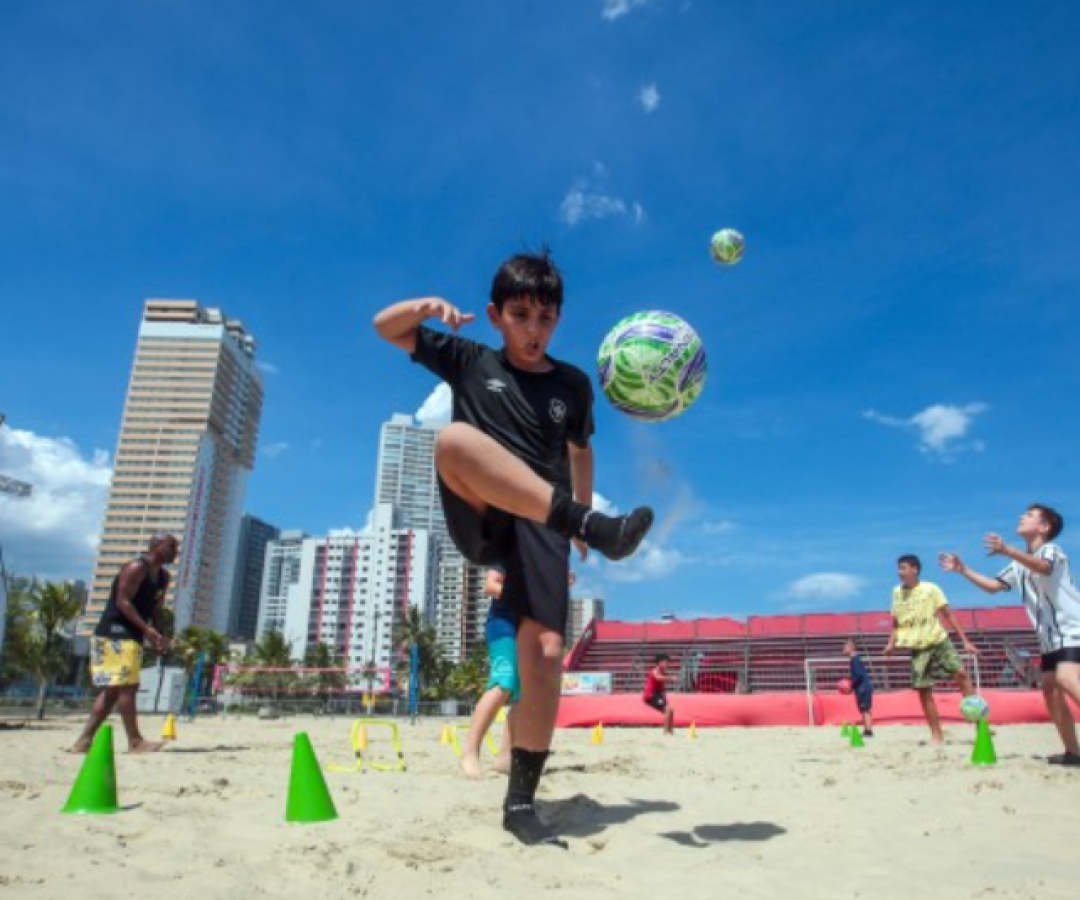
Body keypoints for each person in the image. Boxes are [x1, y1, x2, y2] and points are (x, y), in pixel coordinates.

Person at [373, 250, 653, 848]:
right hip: (479, 511)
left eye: (546, 318)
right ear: (496, 315)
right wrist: (425, 307)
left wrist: (574, 517)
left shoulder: (573, 384)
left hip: (543, 523)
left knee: (547, 651)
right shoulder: (470, 359)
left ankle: (521, 803)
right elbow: (385, 327)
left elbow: (581, 452)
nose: (534, 329)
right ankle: (600, 528)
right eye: (521, 315)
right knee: (451, 439)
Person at [940, 503, 1080, 766]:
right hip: (1049, 638)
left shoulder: (1051, 550)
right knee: (1049, 691)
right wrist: (963, 570)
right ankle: (1073, 752)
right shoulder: (1018, 566)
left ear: (1044, 527)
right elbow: (994, 587)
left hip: (1073, 627)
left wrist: (1006, 549)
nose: (1021, 517)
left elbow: (1043, 567)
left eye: (1029, 515)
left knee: (1066, 678)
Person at [71, 532, 177, 754]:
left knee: (112, 691)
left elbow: (156, 608)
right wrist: (146, 629)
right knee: (128, 687)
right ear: (155, 546)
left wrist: (161, 634)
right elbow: (122, 600)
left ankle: (84, 741)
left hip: (133, 633)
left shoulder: (164, 577)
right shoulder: (136, 567)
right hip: (114, 632)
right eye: (171, 547)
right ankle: (135, 741)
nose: (175, 552)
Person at [883, 553, 979, 744]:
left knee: (962, 674)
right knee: (923, 690)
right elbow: (896, 620)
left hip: (938, 640)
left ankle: (978, 723)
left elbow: (948, 614)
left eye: (903, 568)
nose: (899, 572)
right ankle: (936, 734)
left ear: (914, 569)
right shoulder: (896, 592)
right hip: (917, 647)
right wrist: (891, 643)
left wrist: (965, 641)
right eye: (899, 568)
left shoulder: (931, 588)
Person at [461, 568, 517, 779]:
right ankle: (470, 752)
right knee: (504, 680)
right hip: (503, 624)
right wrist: (525, 595)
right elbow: (491, 586)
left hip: (528, 626)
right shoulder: (510, 550)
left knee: (523, 694)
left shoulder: (540, 553)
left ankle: (505, 757)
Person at [843, 638, 874, 737]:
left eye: (845, 646)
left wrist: (851, 687)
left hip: (863, 688)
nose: (843, 648)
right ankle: (867, 730)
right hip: (863, 687)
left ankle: (868, 731)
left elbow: (859, 676)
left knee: (865, 709)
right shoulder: (855, 659)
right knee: (864, 709)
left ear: (851, 647)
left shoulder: (855, 659)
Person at [643, 653, 676, 735]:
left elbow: (661, 684)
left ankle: (670, 731)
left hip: (657, 695)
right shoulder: (655, 670)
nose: (667, 664)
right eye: (665, 662)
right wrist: (670, 678)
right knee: (668, 710)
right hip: (651, 695)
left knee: (671, 710)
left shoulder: (662, 671)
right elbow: (658, 677)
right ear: (659, 662)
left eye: (667, 662)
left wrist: (663, 696)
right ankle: (665, 732)